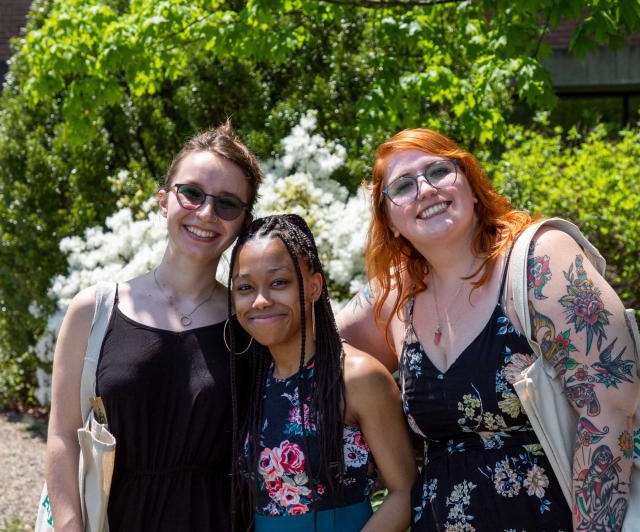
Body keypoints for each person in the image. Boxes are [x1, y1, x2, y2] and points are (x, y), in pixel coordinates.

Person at [336, 128, 640, 531]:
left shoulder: (539, 260)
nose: (425, 189)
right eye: (404, 186)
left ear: (472, 186)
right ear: (390, 220)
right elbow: (307, 343)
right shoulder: (397, 295)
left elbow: (610, 412)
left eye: (439, 170)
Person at [45, 122, 262, 531]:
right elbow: (61, 435)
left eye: (228, 204)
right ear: (164, 200)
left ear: (243, 221)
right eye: (192, 193)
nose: (207, 213)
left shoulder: (250, 321)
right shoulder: (94, 311)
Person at [227, 214, 415, 532]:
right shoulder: (252, 381)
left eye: (279, 283)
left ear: (314, 287)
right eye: (245, 287)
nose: (260, 301)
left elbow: (406, 492)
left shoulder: (357, 377)